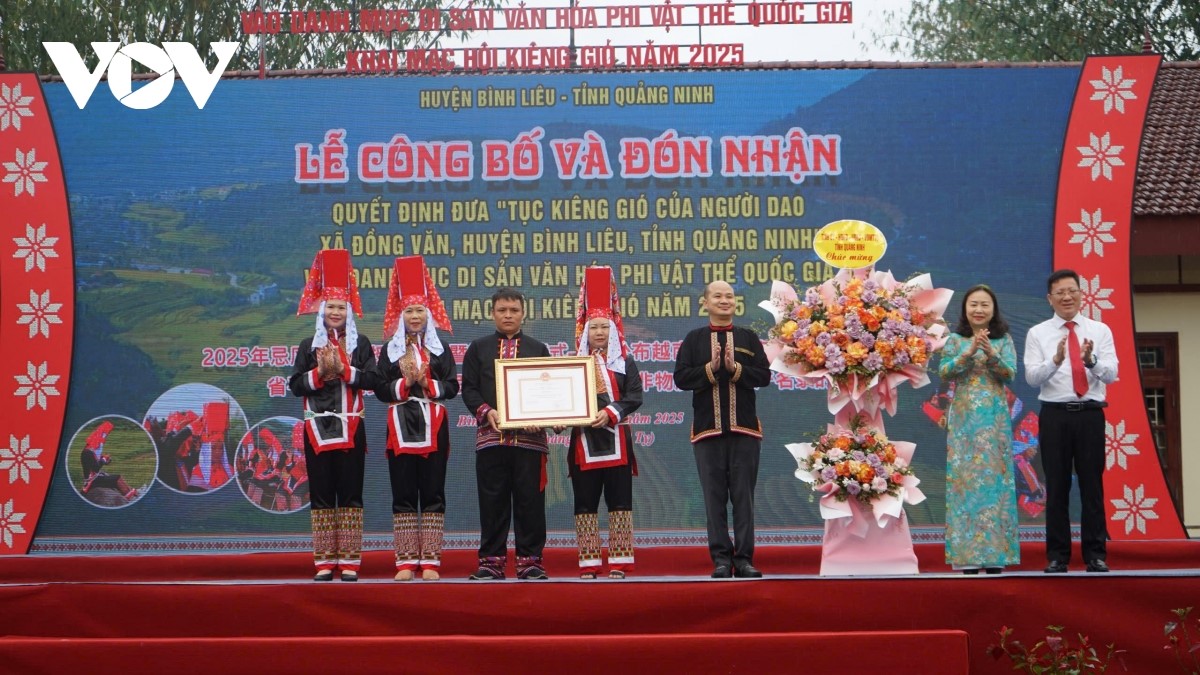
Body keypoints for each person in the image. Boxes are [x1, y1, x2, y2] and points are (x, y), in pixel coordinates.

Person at [288, 248, 379, 581]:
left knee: (351, 492)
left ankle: (350, 561)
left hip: (351, 427)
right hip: (317, 428)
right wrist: (319, 374)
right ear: (321, 311)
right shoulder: (308, 346)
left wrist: (344, 370)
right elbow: (295, 385)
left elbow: (373, 380)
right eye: (331, 307)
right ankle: (325, 561)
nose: (336, 312)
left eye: (341, 307)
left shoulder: (360, 344)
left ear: (349, 311)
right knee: (322, 492)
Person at [673, 280, 772, 578]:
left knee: (744, 499)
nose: (725, 300)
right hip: (707, 431)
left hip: (745, 430)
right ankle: (720, 559)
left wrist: (735, 369)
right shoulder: (694, 339)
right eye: (717, 296)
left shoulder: (748, 337)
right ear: (705, 303)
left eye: (729, 296)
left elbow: (764, 376)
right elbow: (681, 378)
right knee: (713, 500)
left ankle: (744, 559)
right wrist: (711, 369)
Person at [1024, 269, 1118, 573]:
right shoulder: (1037, 333)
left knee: (1092, 486)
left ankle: (1095, 554)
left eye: (1072, 291)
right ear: (1049, 299)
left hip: (1090, 415)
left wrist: (1091, 361)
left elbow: (1112, 374)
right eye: (1060, 293)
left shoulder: (1100, 330)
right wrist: (1054, 361)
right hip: (1055, 416)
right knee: (1056, 486)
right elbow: (1031, 377)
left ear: (1081, 294)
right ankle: (1057, 556)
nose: (1067, 297)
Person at [374, 255, 459, 581]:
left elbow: (452, 386)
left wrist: (426, 382)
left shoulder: (440, 349)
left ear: (429, 314)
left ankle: (431, 561)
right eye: (409, 311)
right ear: (401, 315)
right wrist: (406, 382)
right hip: (400, 424)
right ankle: (406, 561)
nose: (414, 316)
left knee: (433, 491)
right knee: (403, 491)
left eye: (419, 310)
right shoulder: (390, 350)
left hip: (433, 424)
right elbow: (380, 387)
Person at [461, 287, 552, 580]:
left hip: (530, 441)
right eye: (502, 310)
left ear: (523, 314)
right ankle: (491, 563)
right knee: (493, 502)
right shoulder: (478, 348)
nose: (508, 315)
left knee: (530, 502)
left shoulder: (538, 349)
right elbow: (469, 389)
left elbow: (549, 391)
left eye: (514, 310)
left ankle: (531, 563)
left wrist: (542, 416)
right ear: (493, 314)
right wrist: (487, 411)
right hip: (492, 439)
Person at [565, 267, 644, 579]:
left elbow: (634, 397)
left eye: (605, 327)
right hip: (583, 443)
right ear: (585, 331)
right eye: (594, 327)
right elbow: (563, 399)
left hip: (617, 442)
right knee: (585, 503)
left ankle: (619, 563)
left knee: (620, 503)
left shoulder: (625, 362)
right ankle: (588, 563)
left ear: (614, 330)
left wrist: (610, 412)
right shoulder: (573, 364)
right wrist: (558, 418)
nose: (599, 332)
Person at [937, 284, 1021, 574]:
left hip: (994, 421)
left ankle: (996, 556)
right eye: (973, 304)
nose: (979, 309)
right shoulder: (955, 340)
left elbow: (1010, 374)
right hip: (964, 422)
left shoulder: (1003, 340)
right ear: (965, 309)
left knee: (995, 485)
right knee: (964, 484)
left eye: (985, 304)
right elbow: (945, 372)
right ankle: (967, 557)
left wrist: (992, 354)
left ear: (993, 310)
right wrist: (969, 352)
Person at [80, 420, 139, 505]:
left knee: (111, 476)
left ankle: (130, 494)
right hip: (93, 481)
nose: (103, 441)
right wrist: (103, 460)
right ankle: (131, 499)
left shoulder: (90, 451)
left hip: (95, 478)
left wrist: (105, 460)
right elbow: (96, 468)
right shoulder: (87, 453)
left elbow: (96, 462)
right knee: (118, 478)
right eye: (103, 438)